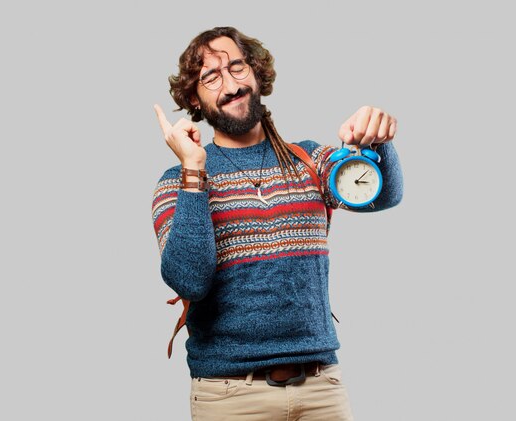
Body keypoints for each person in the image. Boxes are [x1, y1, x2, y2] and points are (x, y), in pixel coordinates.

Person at [151, 26, 403, 421]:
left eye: (237, 67)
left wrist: (377, 141)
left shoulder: (310, 160)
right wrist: (194, 169)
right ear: (194, 100)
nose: (230, 84)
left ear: (256, 73)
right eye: (211, 77)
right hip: (229, 396)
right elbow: (189, 280)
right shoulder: (177, 183)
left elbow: (383, 195)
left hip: (322, 389)